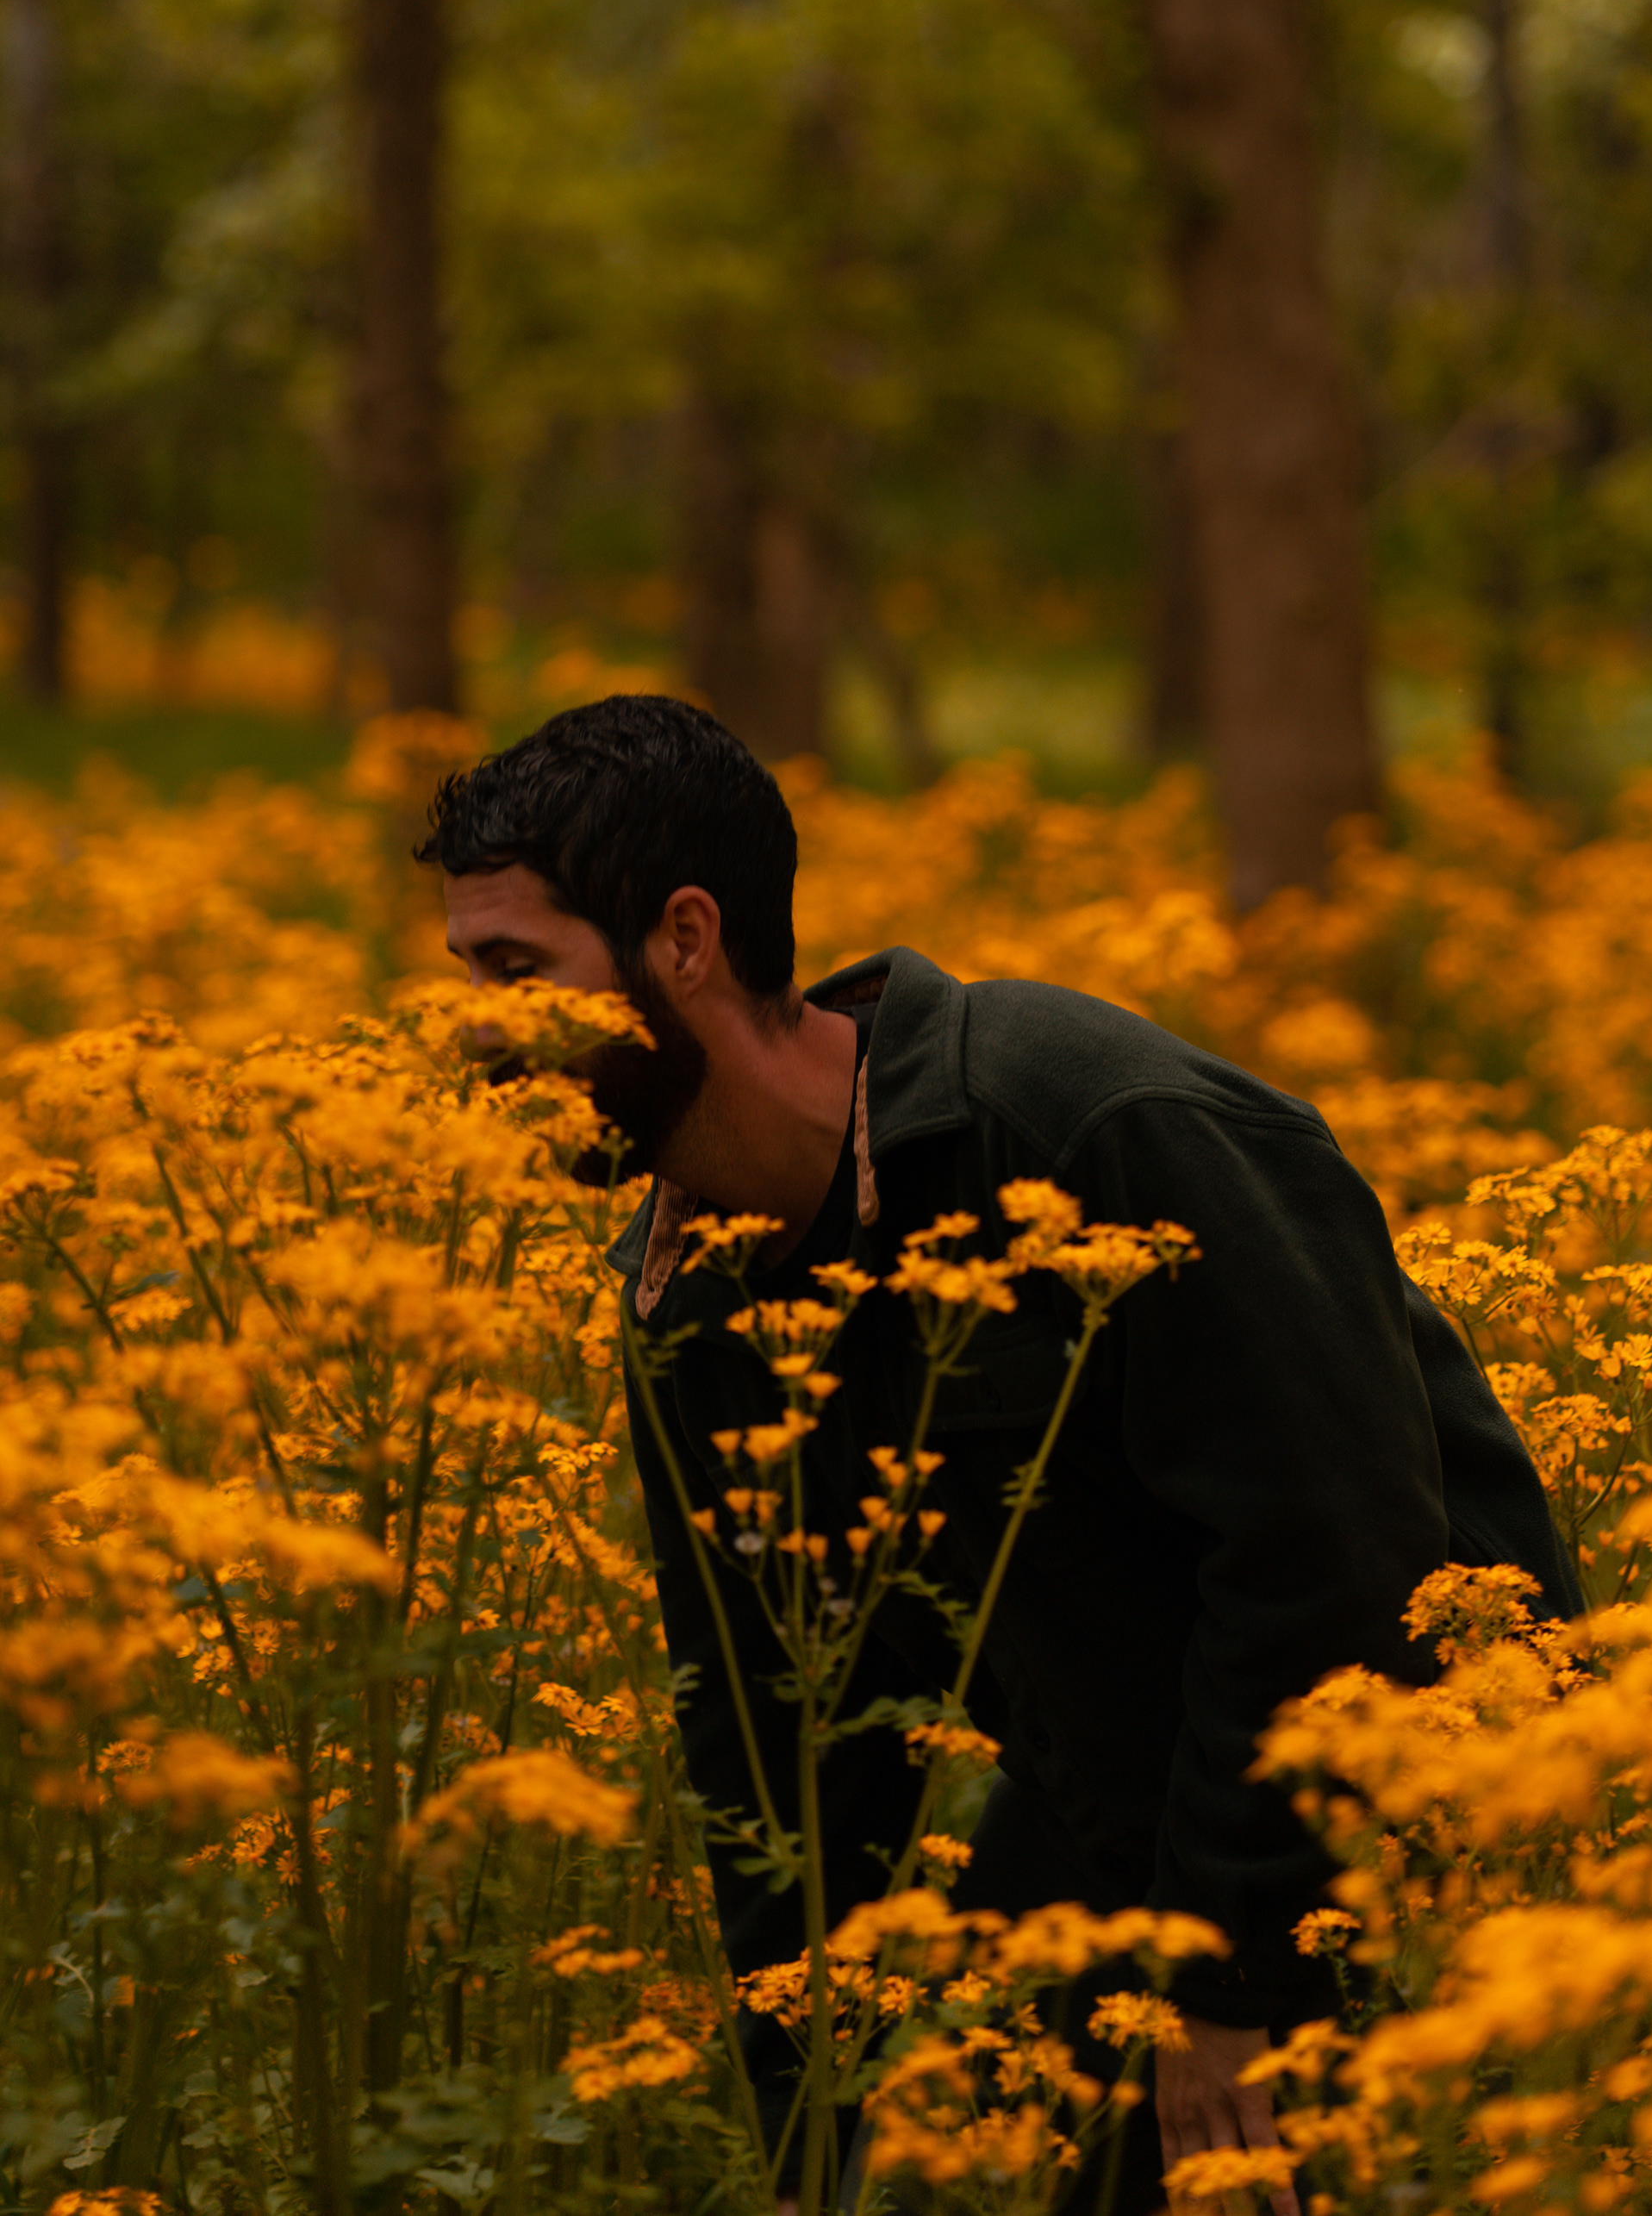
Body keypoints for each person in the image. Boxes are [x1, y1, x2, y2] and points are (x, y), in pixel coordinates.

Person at [422, 693, 1578, 2214]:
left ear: (683, 939)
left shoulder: (1084, 1123)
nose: (469, 1035)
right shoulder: (687, 1297)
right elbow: (777, 1744)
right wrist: (813, 2134)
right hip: (1123, 1819)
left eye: (516, 971)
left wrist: (1220, 1989)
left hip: (1438, 1804)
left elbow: (1340, 1561)